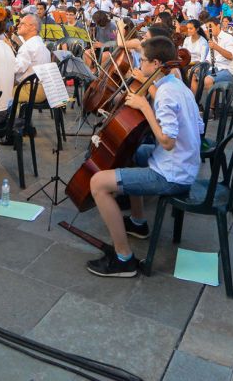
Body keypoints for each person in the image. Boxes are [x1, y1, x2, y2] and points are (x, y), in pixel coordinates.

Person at [85, 35, 203, 277]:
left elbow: (168, 142)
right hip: (185, 162)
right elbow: (197, 126)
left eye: (143, 61)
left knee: (97, 183)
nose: (139, 66)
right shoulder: (176, 85)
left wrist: (145, 107)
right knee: (130, 151)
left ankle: (123, 259)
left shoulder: (166, 94)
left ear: (157, 64)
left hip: (172, 173)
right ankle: (138, 223)